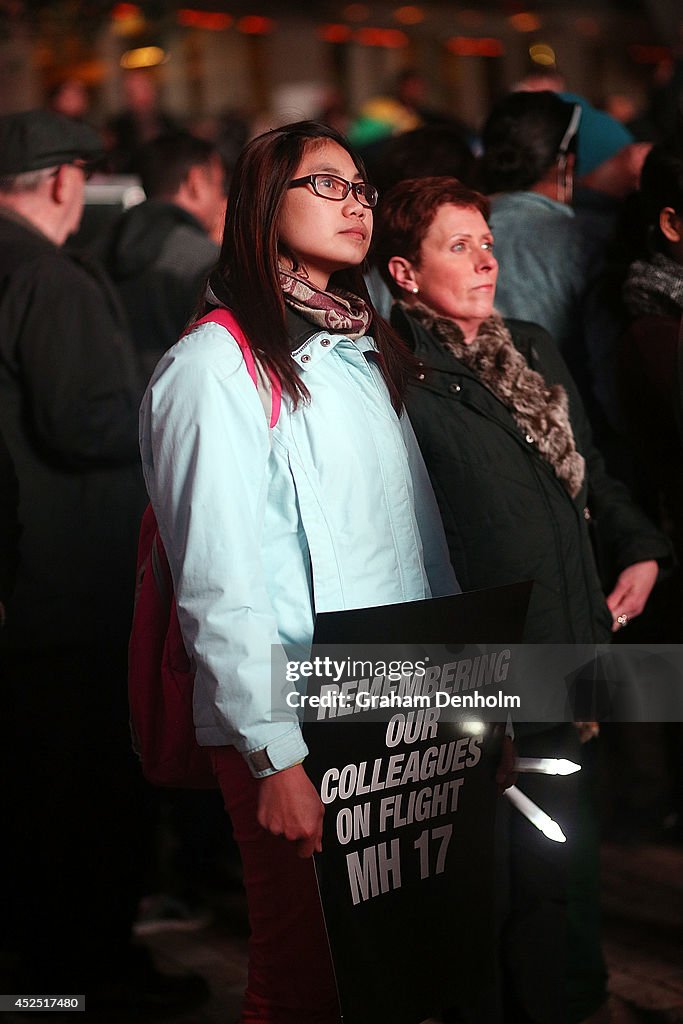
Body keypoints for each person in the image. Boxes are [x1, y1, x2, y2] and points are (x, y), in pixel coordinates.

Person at [139, 121, 459, 1023]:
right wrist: (273, 754)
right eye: (327, 185)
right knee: (304, 980)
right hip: (296, 721)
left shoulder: (363, 345)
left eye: (361, 188)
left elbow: (419, 541)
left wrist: (464, 701)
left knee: (391, 971)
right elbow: (217, 579)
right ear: (260, 202)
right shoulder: (212, 366)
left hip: (397, 700)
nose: (354, 203)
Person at [373, 176, 670, 1024]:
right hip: (490, 665)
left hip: (574, 639)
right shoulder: (400, 381)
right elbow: (422, 544)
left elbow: (591, 474)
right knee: (502, 877)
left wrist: (640, 550)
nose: (483, 260)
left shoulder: (532, 344)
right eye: (456, 246)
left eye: (486, 242)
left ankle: (575, 991)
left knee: (563, 853)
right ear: (402, 271)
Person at [0, 109, 205, 1014]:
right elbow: (83, 424)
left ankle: (46, 983)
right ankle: (92, 984)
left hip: (23, 585)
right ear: (60, 181)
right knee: (88, 800)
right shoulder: (50, 275)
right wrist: (169, 399)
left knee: (38, 802)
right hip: (70, 584)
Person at [99, 131, 227, 378]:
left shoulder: (99, 247)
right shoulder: (206, 260)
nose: (222, 198)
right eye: (219, 185)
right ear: (196, 182)